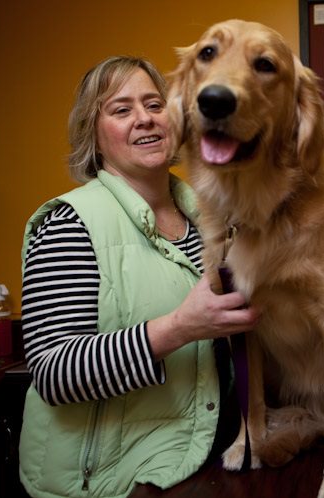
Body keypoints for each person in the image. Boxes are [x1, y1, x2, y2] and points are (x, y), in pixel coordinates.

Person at [18, 56, 259, 498]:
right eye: (121, 109)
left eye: (154, 104)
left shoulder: (212, 218)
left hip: (203, 459)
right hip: (110, 481)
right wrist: (178, 328)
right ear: (93, 134)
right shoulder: (70, 224)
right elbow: (54, 373)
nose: (145, 119)